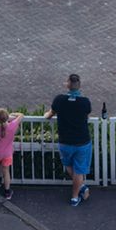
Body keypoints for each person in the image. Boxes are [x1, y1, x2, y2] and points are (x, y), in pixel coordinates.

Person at [45, 73, 93, 207]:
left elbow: (50, 114)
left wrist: (46, 115)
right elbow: (87, 115)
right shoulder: (85, 102)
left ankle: (79, 190)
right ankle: (75, 195)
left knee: (68, 165)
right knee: (79, 170)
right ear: (80, 86)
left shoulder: (59, 100)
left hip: (65, 141)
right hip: (82, 141)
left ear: (67, 84)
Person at [0, 108, 24, 200]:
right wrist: (13, 114)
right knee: (6, 171)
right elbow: (21, 115)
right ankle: (7, 191)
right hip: (7, 152)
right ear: (7, 117)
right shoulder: (12, 126)